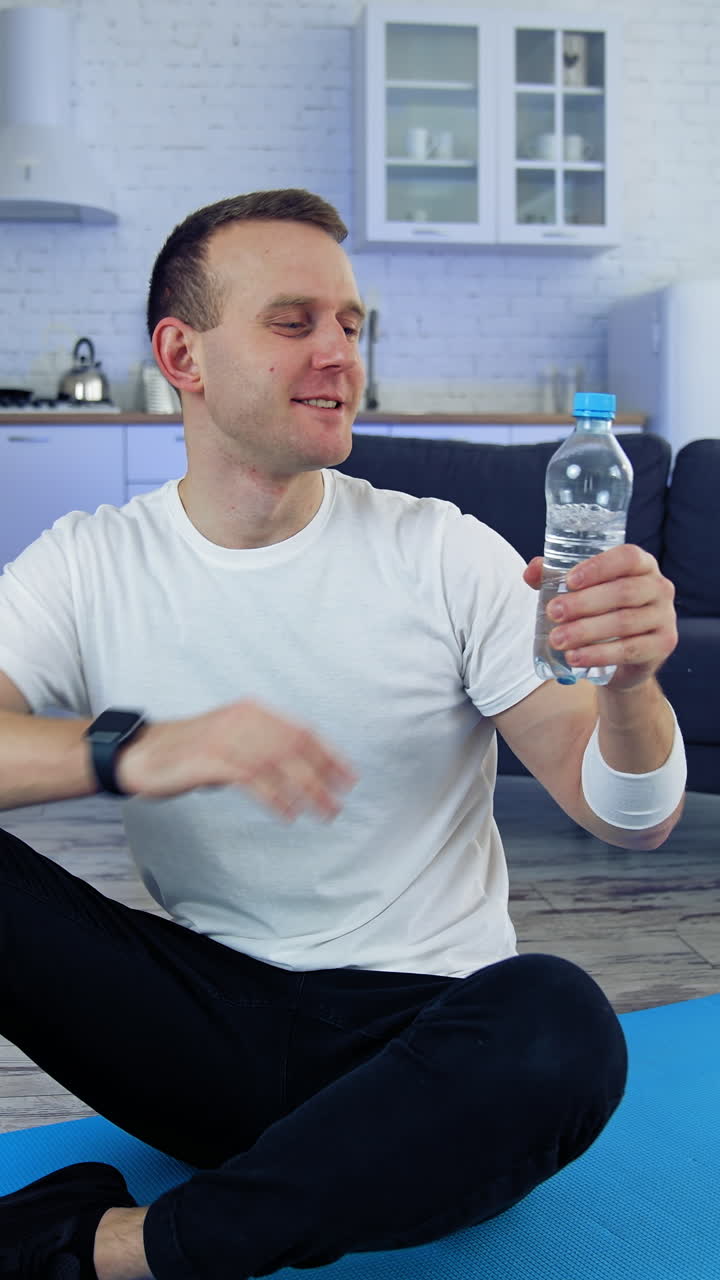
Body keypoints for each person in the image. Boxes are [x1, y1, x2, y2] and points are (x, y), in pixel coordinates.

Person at [0, 189, 686, 1280]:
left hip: (429, 1050)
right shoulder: (89, 560)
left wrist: (634, 685)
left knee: (563, 1019)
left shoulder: (442, 552)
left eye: (352, 324)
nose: (340, 355)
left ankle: (116, 1247)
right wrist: (122, 746)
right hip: (204, 1031)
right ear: (182, 352)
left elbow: (627, 813)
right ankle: (256, 1209)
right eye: (294, 322)